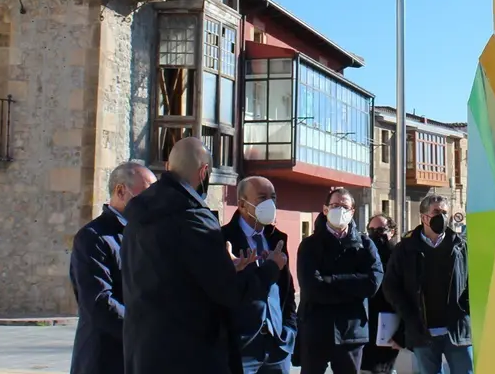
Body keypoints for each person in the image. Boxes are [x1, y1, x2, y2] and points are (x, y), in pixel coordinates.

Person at [122, 137, 287, 374]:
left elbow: (177, 274)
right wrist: (271, 268)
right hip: (189, 355)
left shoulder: (138, 215)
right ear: (204, 172)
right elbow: (229, 291)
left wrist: (224, 265)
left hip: (145, 352)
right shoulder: (193, 217)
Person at [68, 161, 156, 374]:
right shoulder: (93, 237)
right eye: (145, 195)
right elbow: (99, 302)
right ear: (120, 191)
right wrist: (145, 329)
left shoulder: (146, 236)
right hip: (104, 359)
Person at [296, 187, 384, 374]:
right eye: (335, 205)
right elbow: (312, 287)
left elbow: (372, 283)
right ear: (325, 209)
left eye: (344, 206)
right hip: (316, 329)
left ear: (352, 211)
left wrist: (331, 281)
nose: (340, 210)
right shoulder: (310, 245)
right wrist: (352, 288)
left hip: (352, 331)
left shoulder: (365, 244)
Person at [383, 195, 472, 374]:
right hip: (422, 331)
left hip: (456, 331)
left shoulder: (460, 247)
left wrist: (465, 309)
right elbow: (391, 286)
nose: (442, 217)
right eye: (437, 212)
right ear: (424, 217)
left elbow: (472, 283)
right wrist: (409, 316)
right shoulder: (405, 249)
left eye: (445, 212)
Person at [222, 176, 297, 374]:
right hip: (242, 349)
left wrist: (289, 329)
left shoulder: (276, 238)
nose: (269, 203)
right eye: (262, 198)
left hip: (277, 347)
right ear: (241, 204)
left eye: (273, 197)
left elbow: (287, 291)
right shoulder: (223, 240)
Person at [361, 214, 401, 374]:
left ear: (392, 231)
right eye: (371, 230)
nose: (375, 234)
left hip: (389, 325)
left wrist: (402, 333)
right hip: (365, 326)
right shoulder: (363, 255)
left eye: (380, 230)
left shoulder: (400, 257)